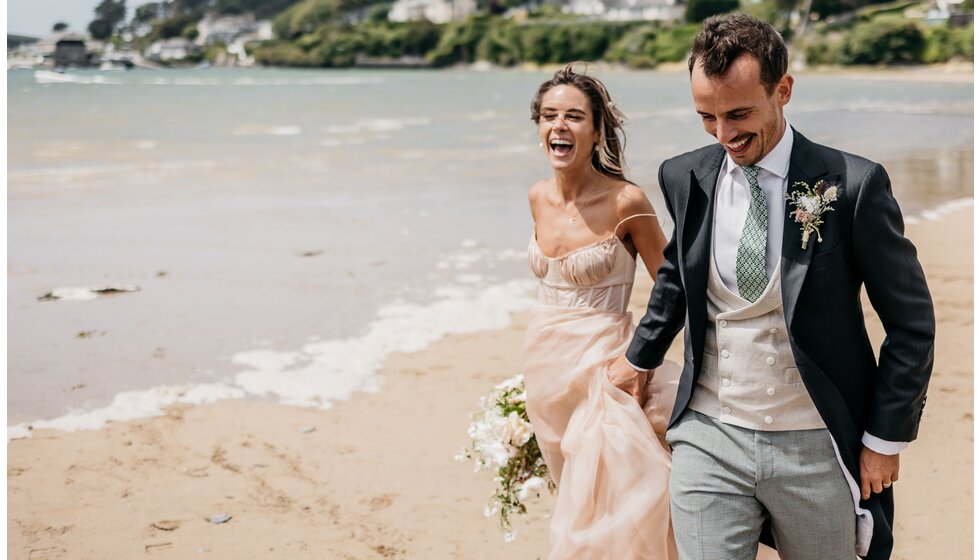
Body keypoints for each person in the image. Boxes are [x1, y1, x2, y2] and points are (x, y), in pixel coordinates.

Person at [609, 14, 935, 560]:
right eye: (706, 117)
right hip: (708, 435)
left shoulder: (853, 186)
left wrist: (884, 438)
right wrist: (639, 357)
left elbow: (911, 323)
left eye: (738, 114)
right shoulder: (683, 176)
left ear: (783, 90)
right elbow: (676, 274)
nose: (723, 135)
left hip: (817, 444)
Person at [521, 63, 679, 560]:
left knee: (603, 520)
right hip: (545, 376)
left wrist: (640, 359)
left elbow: (673, 286)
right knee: (573, 496)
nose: (558, 126)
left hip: (605, 374)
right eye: (549, 116)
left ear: (597, 130)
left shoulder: (626, 201)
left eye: (573, 116)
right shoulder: (536, 197)